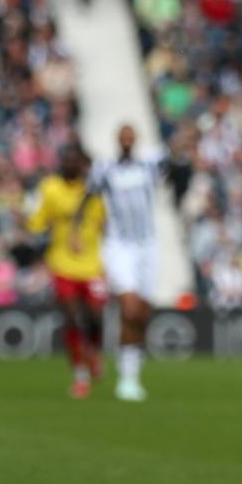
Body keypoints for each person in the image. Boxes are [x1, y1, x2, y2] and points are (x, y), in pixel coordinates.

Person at [85, 124, 170, 402]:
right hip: (120, 245)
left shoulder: (149, 164)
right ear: (117, 139)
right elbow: (87, 199)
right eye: (122, 134)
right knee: (129, 308)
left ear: (136, 139)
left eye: (131, 134)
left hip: (148, 244)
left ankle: (132, 371)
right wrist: (81, 232)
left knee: (142, 313)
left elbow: (179, 148)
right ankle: (126, 378)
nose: (127, 138)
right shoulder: (104, 168)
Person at [26, 144, 106, 399]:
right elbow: (36, 221)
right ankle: (80, 375)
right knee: (72, 318)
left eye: (76, 161)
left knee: (95, 318)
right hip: (62, 264)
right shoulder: (50, 188)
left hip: (93, 264)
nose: (71, 165)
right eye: (67, 160)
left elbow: (106, 223)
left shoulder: (94, 192)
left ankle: (93, 352)